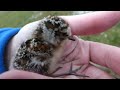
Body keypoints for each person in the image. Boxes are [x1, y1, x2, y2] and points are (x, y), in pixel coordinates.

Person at [0, 11, 120, 79]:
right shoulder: (43, 47)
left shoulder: (42, 42)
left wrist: (6, 48)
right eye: (63, 34)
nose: (69, 38)